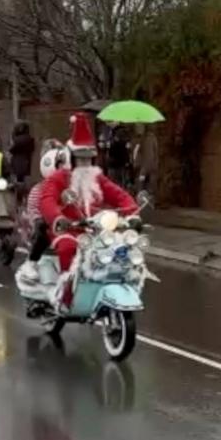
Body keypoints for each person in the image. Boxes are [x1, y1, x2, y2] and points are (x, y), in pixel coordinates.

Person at [40, 113, 138, 304]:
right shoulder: (59, 178)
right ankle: (66, 297)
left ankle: (113, 289)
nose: (85, 164)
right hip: (68, 230)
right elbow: (47, 200)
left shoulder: (97, 177)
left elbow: (119, 195)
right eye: (80, 159)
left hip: (96, 230)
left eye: (88, 159)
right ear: (71, 158)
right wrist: (59, 218)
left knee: (120, 250)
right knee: (69, 248)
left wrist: (132, 213)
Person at [21, 141, 70, 281]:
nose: (64, 168)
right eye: (60, 165)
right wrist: (39, 220)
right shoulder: (39, 189)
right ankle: (31, 262)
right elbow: (34, 211)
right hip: (49, 228)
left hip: (70, 227)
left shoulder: (72, 188)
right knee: (42, 229)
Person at [133, 124, 159, 199]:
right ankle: (147, 201)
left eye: (139, 127)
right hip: (146, 166)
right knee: (147, 185)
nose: (138, 129)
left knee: (142, 185)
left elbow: (150, 155)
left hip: (145, 167)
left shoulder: (146, 139)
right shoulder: (151, 138)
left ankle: (144, 202)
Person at [9, 121, 35, 185]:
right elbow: (32, 149)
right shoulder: (30, 139)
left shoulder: (17, 140)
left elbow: (11, 149)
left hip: (17, 163)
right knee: (23, 181)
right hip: (26, 162)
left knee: (17, 182)